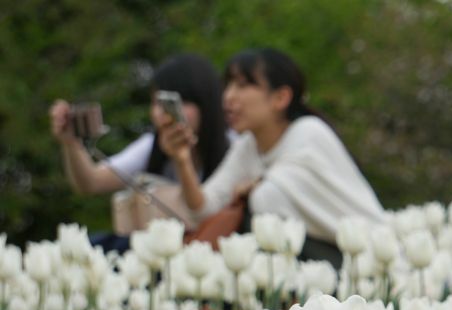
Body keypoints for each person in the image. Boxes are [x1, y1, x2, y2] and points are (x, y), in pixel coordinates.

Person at [158, 47, 385, 265]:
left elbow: (274, 195)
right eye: (227, 85)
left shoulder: (309, 132)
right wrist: (182, 160)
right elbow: (204, 209)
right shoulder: (248, 145)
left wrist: (254, 188)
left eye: (243, 85)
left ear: (281, 98)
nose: (228, 97)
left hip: (366, 261)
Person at [49, 53, 230, 251]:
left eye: (175, 103)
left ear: (205, 104)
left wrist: (182, 159)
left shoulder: (234, 150)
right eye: (156, 102)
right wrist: (71, 143)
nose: (162, 113)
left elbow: (198, 211)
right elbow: (91, 182)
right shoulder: (151, 146)